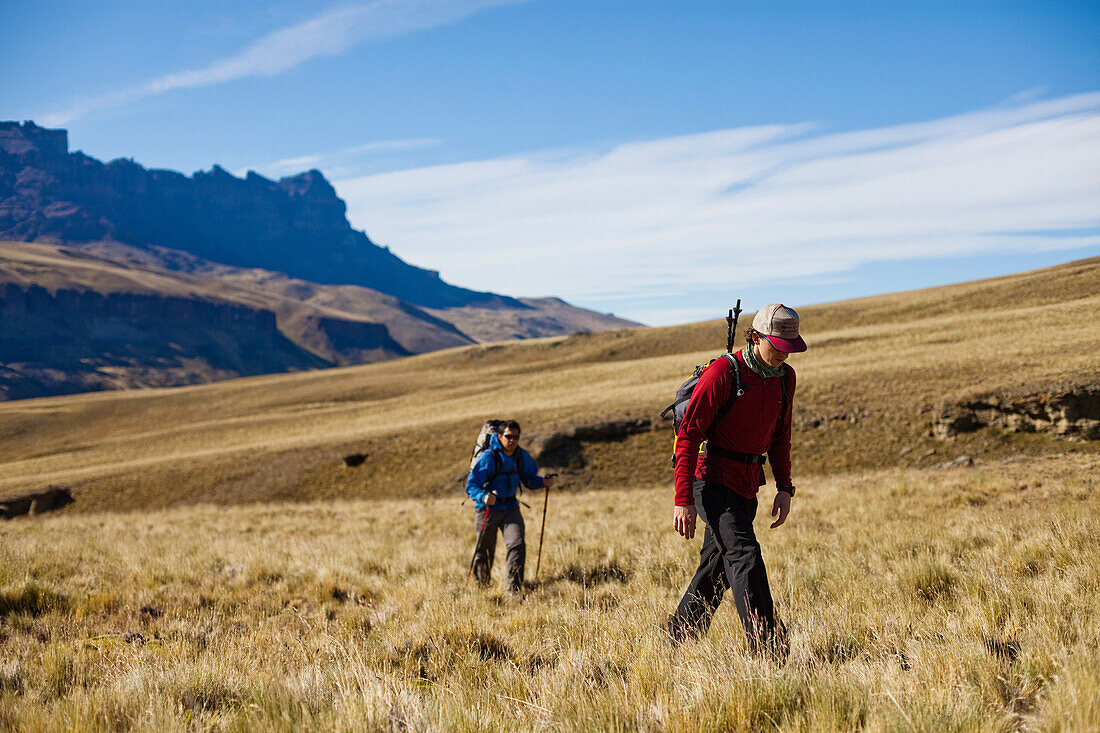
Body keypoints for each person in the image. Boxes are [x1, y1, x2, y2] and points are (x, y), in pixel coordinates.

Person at [666, 303, 806, 654]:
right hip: (710, 481)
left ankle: (678, 637)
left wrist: (785, 487)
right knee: (745, 554)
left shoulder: (785, 379)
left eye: (790, 348)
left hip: (747, 484)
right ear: (756, 337)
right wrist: (683, 499)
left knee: (718, 567)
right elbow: (687, 436)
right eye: (778, 346)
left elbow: (780, 437)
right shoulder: (724, 374)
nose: (783, 356)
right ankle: (768, 647)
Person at [466, 420, 555, 593]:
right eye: (508, 436)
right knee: (484, 550)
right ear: (500, 437)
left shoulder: (521, 456)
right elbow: (471, 485)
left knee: (517, 544)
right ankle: (481, 588)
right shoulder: (488, 457)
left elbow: (529, 479)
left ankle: (513, 589)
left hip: (510, 508)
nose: (512, 440)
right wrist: (484, 497)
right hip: (488, 510)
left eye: (515, 437)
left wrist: (543, 482)